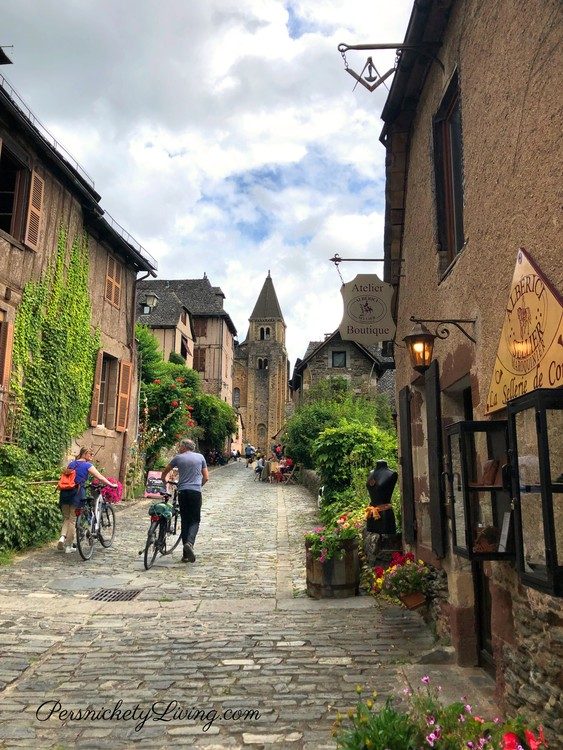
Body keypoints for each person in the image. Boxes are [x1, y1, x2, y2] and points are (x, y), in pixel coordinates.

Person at [57, 448, 117, 552]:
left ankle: (62, 537)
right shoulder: (87, 465)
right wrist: (112, 484)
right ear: (84, 454)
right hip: (77, 493)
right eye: (91, 454)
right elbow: (100, 477)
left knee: (66, 518)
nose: (92, 456)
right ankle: (68, 546)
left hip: (65, 492)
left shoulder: (72, 464)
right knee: (72, 520)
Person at [161, 438, 208, 563]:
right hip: (195, 492)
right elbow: (206, 477)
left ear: (184, 447)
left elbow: (165, 471)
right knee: (195, 520)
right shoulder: (200, 457)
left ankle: (185, 555)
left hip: (182, 492)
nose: (179, 448)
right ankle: (190, 543)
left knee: (185, 520)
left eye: (180, 446)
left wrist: (163, 479)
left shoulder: (178, 458)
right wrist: (198, 486)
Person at [365, 460, 398, 534]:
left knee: (386, 542)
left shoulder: (392, 474)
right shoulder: (371, 473)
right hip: (371, 514)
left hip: (384, 515)